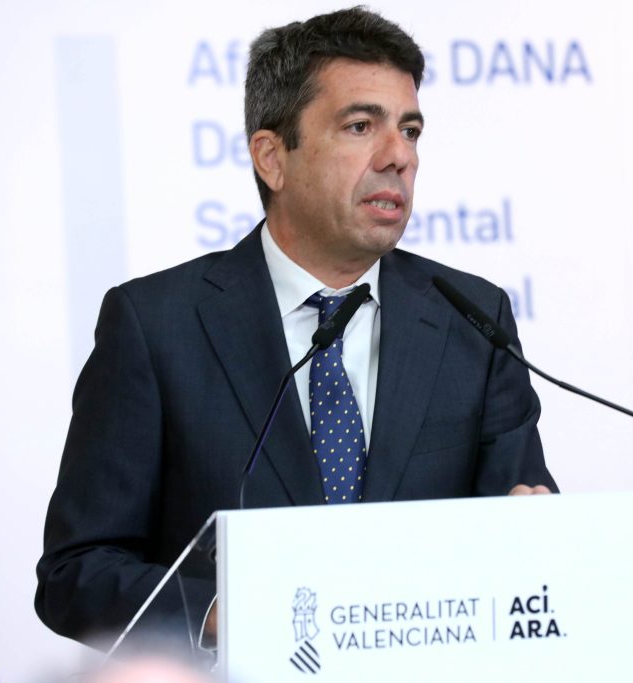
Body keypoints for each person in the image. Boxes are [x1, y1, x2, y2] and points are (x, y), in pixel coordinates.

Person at [35, 6, 556, 649]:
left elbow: (522, 523)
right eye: (360, 126)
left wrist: (537, 534)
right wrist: (221, 615)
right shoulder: (156, 325)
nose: (399, 156)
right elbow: (76, 572)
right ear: (272, 158)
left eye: (411, 130)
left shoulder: (472, 318)